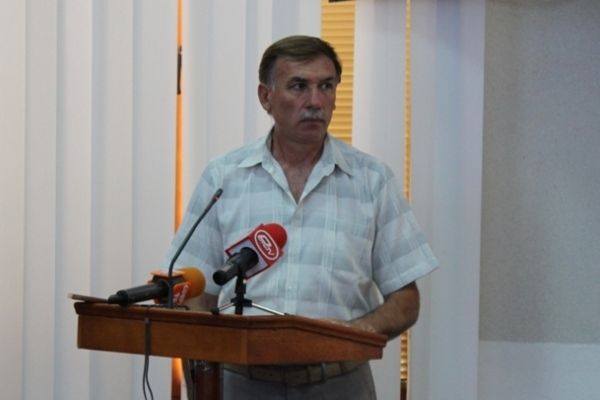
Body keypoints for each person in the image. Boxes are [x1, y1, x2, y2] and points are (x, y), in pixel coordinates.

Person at [164, 35, 438, 400]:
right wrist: (201, 379)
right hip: (240, 380)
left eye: (326, 86)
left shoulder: (372, 180)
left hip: (339, 381)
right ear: (266, 97)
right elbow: (193, 291)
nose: (315, 101)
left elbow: (405, 299)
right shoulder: (224, 178)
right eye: (299, 86)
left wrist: (349, 334)